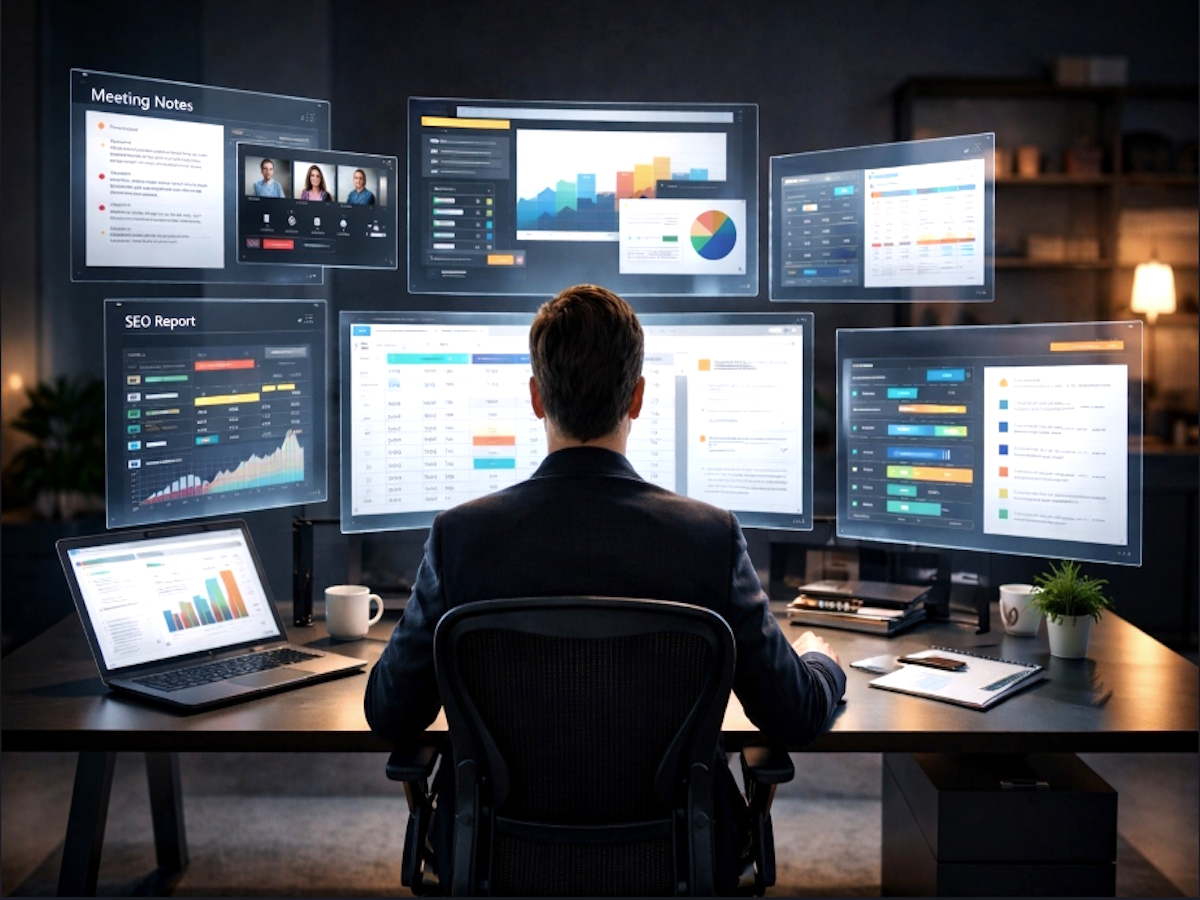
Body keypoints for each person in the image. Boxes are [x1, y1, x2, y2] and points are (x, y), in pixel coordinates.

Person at [365, 283, 845, 893]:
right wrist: (821, 664)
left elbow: (389, 712)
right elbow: (793, 714)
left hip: (498, 858)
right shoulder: (709, 538)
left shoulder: (461, 537)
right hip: (673, 860)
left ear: (537, 399)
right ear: (638, 398)